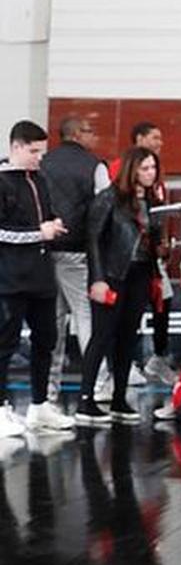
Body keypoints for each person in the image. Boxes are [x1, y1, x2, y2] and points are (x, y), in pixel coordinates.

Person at [74, 147, 162, 427]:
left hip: (140, 272)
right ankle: (85, 400)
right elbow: (94, 240)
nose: (151, 173)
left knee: (128, 336)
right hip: (112, 274)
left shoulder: (150, 199)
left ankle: (119, 397)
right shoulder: (109, 198)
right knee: (102, 335)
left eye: (153, 168)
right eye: (145, 168)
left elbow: (149, 238)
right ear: (132, 169)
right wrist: (98, 279)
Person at [0, 121, 73, 440]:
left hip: (42, 276)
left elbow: (45, 217)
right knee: (5, 343)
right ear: (15, 147)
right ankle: (1, 409)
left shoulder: (39, 180)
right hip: (9, 278)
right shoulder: (2, 182)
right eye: (33, 151)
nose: (39, 158)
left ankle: (40, 404)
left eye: (41, 151)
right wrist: (37, 233)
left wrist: (52, 224)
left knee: (47, 339)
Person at [40, 113, 111, 406]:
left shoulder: (42, 163)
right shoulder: (95, 167)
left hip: (43, 251)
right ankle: (99, 384)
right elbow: (106, 211)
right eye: (90, 131)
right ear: (78, 134)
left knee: (51, 325)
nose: (95, 136)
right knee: (86, 319)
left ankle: (47, 389)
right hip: (78, 252)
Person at [110, 122, 178, 386]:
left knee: (164, 300)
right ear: (138, 139)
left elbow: (157, 213)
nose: (160, 143)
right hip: (127, 257)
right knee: (128, 312)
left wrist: (162, 242)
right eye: (154, 137)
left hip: (150, 254)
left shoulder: (157, 177)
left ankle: (157, 357)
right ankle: (127, 363)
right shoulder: (119, 170)